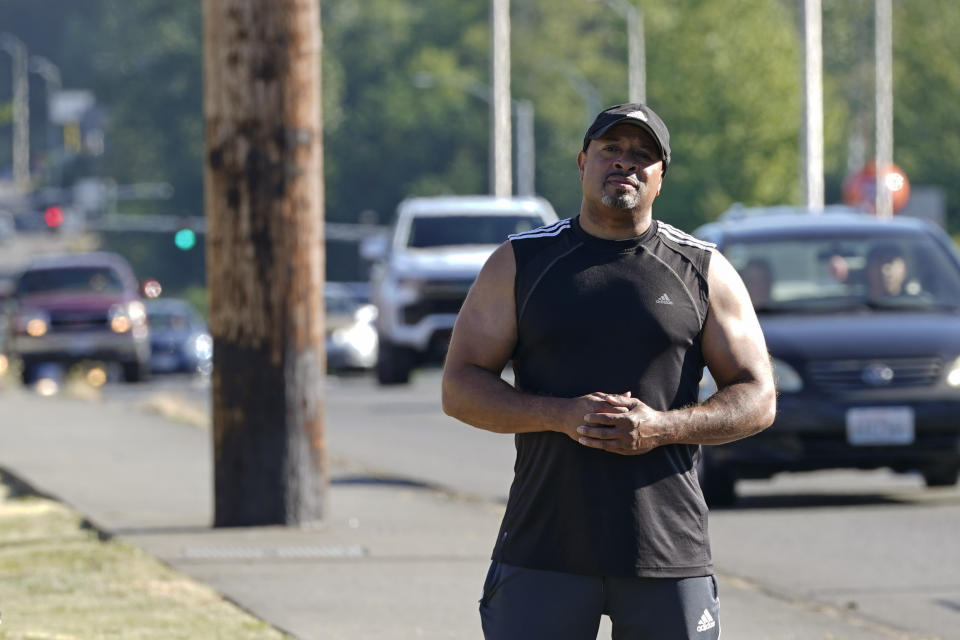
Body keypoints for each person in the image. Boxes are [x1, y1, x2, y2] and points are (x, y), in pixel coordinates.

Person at [441, 103, 776, 639]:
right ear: (582, 162)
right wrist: (560, 415)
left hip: (667, 549)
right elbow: (460, 387)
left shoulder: (703, 269)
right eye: (611, 151)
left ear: (661, 178)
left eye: (643, 155)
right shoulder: (520, 262)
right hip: (544, 545)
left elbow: (759, 398)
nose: (625, 164)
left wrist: (662, 427)